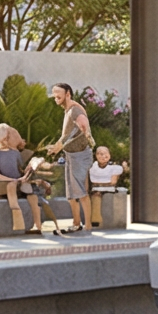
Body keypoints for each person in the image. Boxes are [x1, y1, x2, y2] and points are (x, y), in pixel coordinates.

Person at [45, 82, 95, 236]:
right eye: (54, 93)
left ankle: (87, 226)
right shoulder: (67, 110)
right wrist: (56, 148)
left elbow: (82, 122)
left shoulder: (74, 109)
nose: (55, 96)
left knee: (81, 192)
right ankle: (76, 224)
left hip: (80, 156)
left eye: (58, 93)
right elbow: (66, 136)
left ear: (68, 94)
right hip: (71, 156)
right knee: (71, 195)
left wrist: (85, 129)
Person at [0, 123, 48, 236]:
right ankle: (18, 220)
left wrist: (26, 173)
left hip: (17, 183)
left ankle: (37, 225)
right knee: (11, 186)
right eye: (11, 134)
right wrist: (12, 180)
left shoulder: (15, 153)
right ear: (5, 139)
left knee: (32, 194)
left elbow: (20, 168)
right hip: (2, 185)